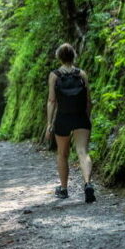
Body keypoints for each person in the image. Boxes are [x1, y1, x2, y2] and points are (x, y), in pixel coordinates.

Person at [44, 42, 95, 202]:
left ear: (59, 57)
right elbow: (88, 101)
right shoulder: (82, 74)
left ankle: (64, 189)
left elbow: (52, 101)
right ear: (74, 56)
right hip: (80, 116)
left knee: (62, 154)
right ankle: (87, 184)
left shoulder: (54, 75)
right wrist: (86, 116)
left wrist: (49, 124)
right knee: (82, 151)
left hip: (63, 118)